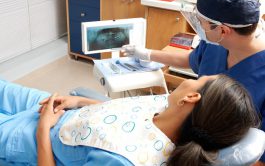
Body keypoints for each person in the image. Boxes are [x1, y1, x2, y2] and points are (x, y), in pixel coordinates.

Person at [122, 0, 265, 164]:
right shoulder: (215, 44)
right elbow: (191, 59)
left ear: (223, 30)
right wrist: (147, 54)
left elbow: (258, 154)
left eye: (200, 21)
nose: (197, 25)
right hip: (179, 139)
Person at [0, 75, 260, 166]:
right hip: (63, 111)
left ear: (191, 98)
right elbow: (125, 113)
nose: (191, 79)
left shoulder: (123, 160)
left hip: (36, 138)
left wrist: (43, 129)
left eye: (198, 79)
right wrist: (78, 102)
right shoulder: (171, 110)